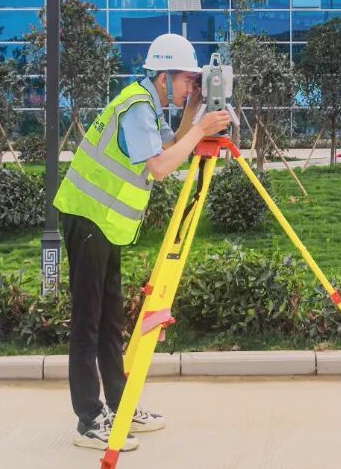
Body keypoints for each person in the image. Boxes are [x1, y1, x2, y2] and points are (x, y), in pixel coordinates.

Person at [53, 33, 231, 451]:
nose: (190, 86)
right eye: (187, 80)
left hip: (105, 223)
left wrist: (194, 111)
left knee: (110, 320)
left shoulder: (147, 103)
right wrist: (202, 129)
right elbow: (162, 166)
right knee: (89, 322)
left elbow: (171, 143)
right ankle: (89, 420)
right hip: (87, 217)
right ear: (164, 76)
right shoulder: (136, 106)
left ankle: (121, 405)